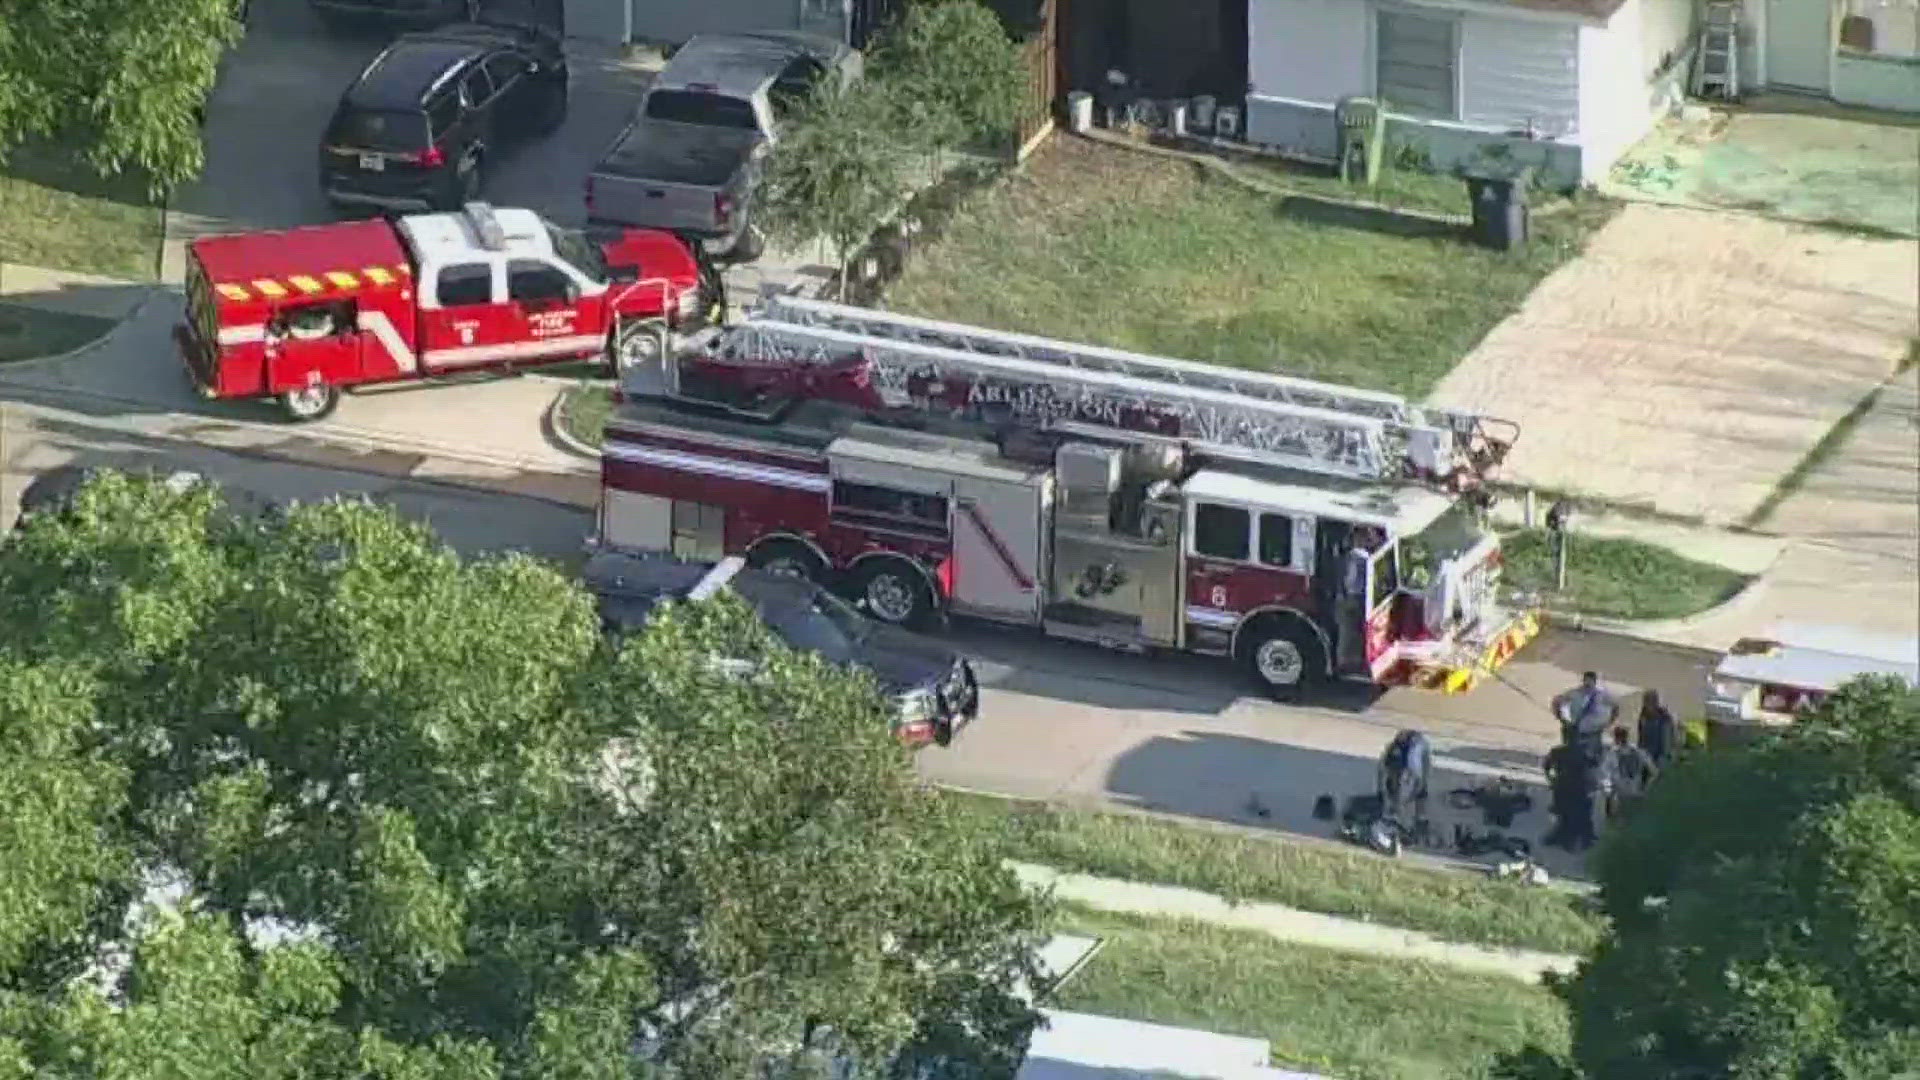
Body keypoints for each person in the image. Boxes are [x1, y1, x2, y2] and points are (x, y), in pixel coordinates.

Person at [1377, 730, 1432, 830]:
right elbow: (1381, 770)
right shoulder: (1390, 750)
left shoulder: (1415, 752)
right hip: (1400, 760)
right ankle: (1395, 812)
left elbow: (1418, 776)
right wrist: (1380, 789)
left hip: (1420, 752)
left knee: (1421, 789)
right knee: (1397, 790)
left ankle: (1420, 816)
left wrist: (1416, 790)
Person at [1553, 671, 1618, 754]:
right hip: (1575, 729)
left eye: (1590, 681)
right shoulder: (1575, 693)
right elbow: (1557, 701)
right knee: (1571, 753)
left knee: (1592, 755)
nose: (1587, 683)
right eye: (1586, 680)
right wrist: (1561, 718)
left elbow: (1615, 706)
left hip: (1594, 730)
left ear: (1594, 681)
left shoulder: (1601, 695)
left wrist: (1610, 722)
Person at [1606, 726, 1658, 819]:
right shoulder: (1640, 752)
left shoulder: (1611, 754)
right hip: (1636, 793)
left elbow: (1605, 776)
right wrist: (1645, 788)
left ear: (1616, 738)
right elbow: (1654, 772)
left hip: (1619, 797)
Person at [1636, 689, 1676, 768]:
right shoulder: (1643, 717)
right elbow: (1641, 739)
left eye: (1652, 702)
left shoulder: (1664, 719)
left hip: (1661, 756)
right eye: (1647, 702)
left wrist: (1663, 757)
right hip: (1647, 755)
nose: (1649, 705)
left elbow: (1666, 742)